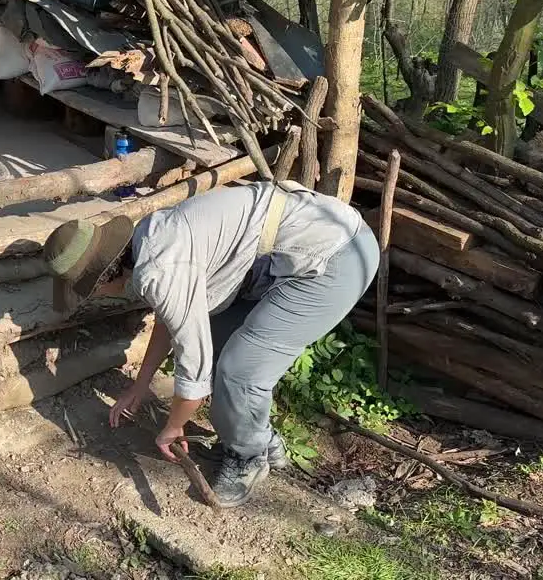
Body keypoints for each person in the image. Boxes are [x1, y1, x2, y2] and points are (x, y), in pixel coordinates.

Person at [42, 181, 378, 508]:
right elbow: (171, 317)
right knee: (220, 340)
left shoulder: (158, 268)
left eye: (91, 290)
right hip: (299, 252)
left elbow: (194, 373)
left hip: (335, 257)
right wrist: (141, 385)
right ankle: (258, 440)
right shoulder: (150, 242)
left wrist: (173, 427)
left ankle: (248, 458)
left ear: (104, 277)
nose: (96, 297)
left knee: (240, 370)